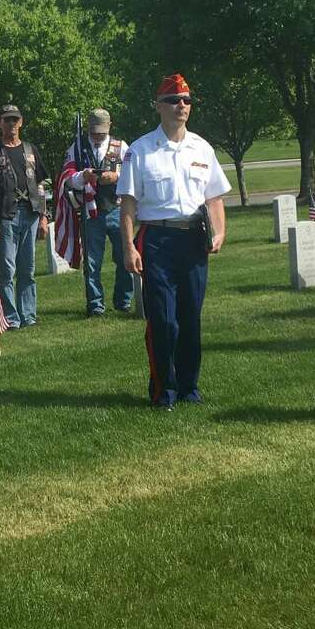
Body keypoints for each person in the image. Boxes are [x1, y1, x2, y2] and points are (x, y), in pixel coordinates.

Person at [118, 74, 230, 410]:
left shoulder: (202, 147)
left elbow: (214, 198)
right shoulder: (140, 150)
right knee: (163, 319)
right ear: (158, 106)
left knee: (190, 317)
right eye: (174, 100)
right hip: (157, 239)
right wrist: (128, 246)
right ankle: (163, 390)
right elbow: (128, 204)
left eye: (187, 100)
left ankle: (188, 388)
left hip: (193, 239)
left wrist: (220, 231)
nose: (182, 105)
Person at [0, 104, 48, 328]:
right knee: (7, 269)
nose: (11, 124)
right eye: (7, 119)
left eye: (15, 119)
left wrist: (44, 216)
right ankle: (10, 316)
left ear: (21, 122)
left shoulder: (30, 150)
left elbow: (41, 184)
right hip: (5, 215)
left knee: (27, 268)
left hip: (30, 213)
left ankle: (28, 314)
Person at [65, 108, 133, 316]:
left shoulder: (121, 147)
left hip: (117, 209)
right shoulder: (77, 147)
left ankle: (124, 300)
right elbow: (67, 176)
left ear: (110, 127)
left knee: (124, 257)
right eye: (94, 133)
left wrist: (116, 176)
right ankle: (95, 305)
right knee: (92, 262)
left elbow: (133, 173)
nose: (97, 137)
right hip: (90, 211)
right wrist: (82, 177)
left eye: (101, 133)